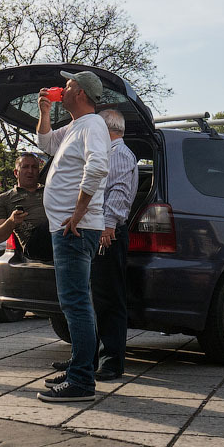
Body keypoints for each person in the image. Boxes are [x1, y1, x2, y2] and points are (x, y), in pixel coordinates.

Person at [35, 70, 110, 403]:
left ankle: (81, 382)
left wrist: (78, 213)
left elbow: (97, 167)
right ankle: (82, 365)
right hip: (69, 228)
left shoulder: (93, 126)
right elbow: (45, 143)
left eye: (66, 87)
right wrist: (45, 113)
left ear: (80, 93)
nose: (60, 90)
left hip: (75, 229)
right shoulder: (77, 127)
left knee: (75, 303)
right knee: (79, 303)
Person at [92, 108, 138, 380]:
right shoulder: (109, 153)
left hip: (108, 234)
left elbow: (119, 192)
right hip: (99, 232)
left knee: (109, 300)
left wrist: (108, 225)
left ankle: (111, 361)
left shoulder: (119, 154)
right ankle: (88, 357)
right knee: (96, 299)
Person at [0, 153, 48, 260]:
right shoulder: (4, 199)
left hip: (59, 237)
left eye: (34, 167)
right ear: (16, 172)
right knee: (50, 226)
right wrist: (11, 221)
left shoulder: (51, 191)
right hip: (34, 245)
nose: (30, 171)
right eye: (25, 167)